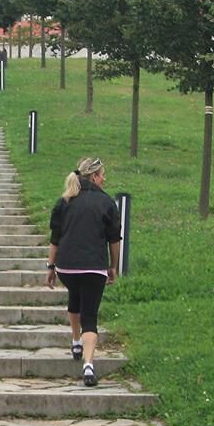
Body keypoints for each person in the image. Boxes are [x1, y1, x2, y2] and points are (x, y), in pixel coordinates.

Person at [47, 156, 121, 386]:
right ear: (94, 176)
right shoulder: (107, 202)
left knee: (75, 295)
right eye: (103, 175)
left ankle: (76, 340)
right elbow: (114, 239)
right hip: (94, 266)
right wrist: (113, 266)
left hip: (67, 267)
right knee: (90, 315)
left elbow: (55, 238)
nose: (105, 179)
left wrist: (51, 266)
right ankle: (88, 365)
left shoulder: (64, 200)